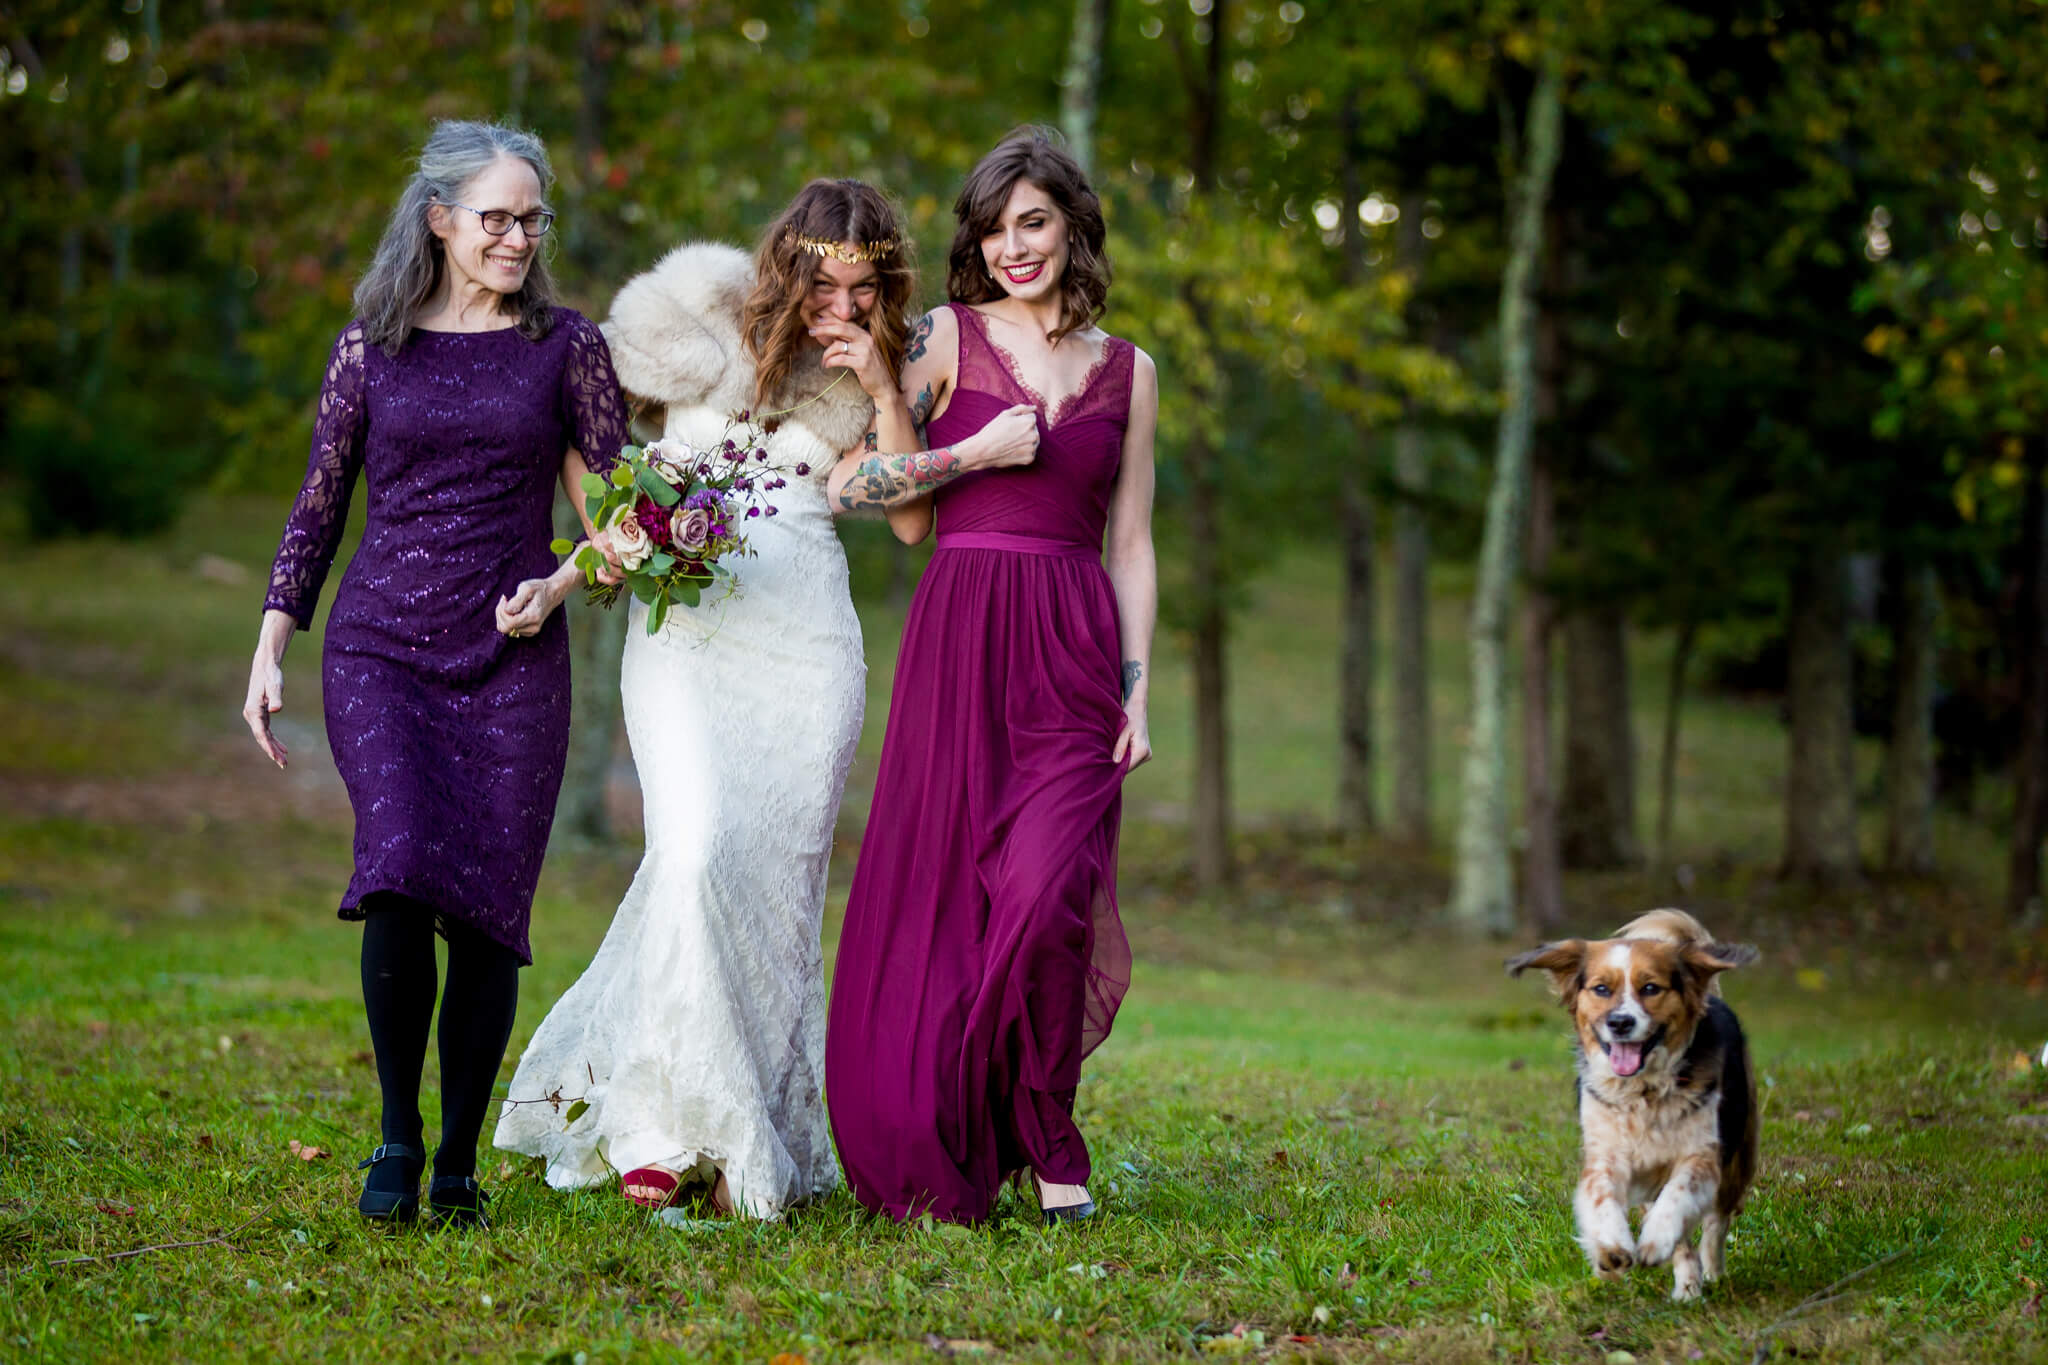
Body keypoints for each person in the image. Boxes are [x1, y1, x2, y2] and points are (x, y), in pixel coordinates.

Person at [492, 180, 1039, 1219]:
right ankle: (659, 1125)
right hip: (689, 635)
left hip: (806, 644)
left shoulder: (880, 372)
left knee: (774, 889)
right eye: (823, 284)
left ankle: (738, 1126)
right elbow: (590, 445)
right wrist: (577, 566)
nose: (840, 307)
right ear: (785, 268)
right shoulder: (688, 321)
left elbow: (912, 524)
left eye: (863, 289)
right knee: (692, 850)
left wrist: (881, 389)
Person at [243, 120, 629, 1229]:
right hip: (382, 651)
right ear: (441, 221)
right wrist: (272, 644)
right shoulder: (372, 345)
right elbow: (319, 506)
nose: (518, 237)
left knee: (486, 908)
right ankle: (397, 1136)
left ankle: (458, 1156)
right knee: (402, 865)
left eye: (532, 219)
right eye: (498, 218)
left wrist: (554, 588)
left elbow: (617, 521)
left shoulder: (566, 348)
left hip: (511, 656)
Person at [826, 128, 1159, 1225]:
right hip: (962, 633)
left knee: (1049, 893)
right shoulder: (940, 337)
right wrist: (968, 452)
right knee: (951, 891)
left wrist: (1136, 686)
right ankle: (954, 1132)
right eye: (994, 226)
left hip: (1071, 648)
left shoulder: (1131, 370)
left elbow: (1131, 543)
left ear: (1072, 225)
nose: (1013, 246)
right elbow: (868, 495)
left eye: (1034, 221)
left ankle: (1044, 1129)